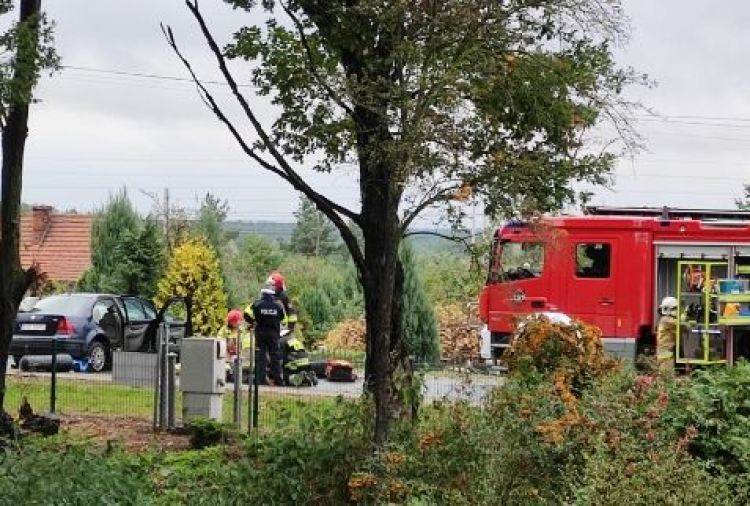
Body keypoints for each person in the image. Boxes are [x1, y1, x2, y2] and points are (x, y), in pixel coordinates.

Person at [244, 282, 285, 386]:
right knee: (275, 356)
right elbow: (283, 318)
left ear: (262, 294)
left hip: (260, 333)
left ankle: (260, 380)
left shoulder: (257, 304)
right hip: (274, 334)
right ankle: (278, 380)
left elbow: (246, 313)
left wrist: (253, 322)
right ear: (272, 294)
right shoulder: (278, 306)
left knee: (261, 356)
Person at [656, 296, 678, 372]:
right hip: (665, 352)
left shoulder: (664, 319)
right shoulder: (667, 320)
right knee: (666, 376)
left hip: (665, 351)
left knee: (665, 375)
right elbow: (679, 325)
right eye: (675, 308)